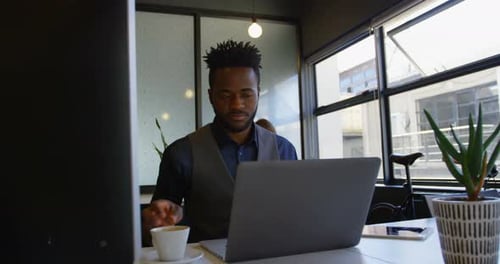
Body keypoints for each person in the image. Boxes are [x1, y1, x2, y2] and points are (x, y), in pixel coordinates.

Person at [142, 39, 298, 244]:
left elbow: (295, 213)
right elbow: (159, 229)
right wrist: (158, 220)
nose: (237, 105)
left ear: (258, 93)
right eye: (225, 95)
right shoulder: (181, 154)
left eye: (246, 94)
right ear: (210, 96)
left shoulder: (284, 150)